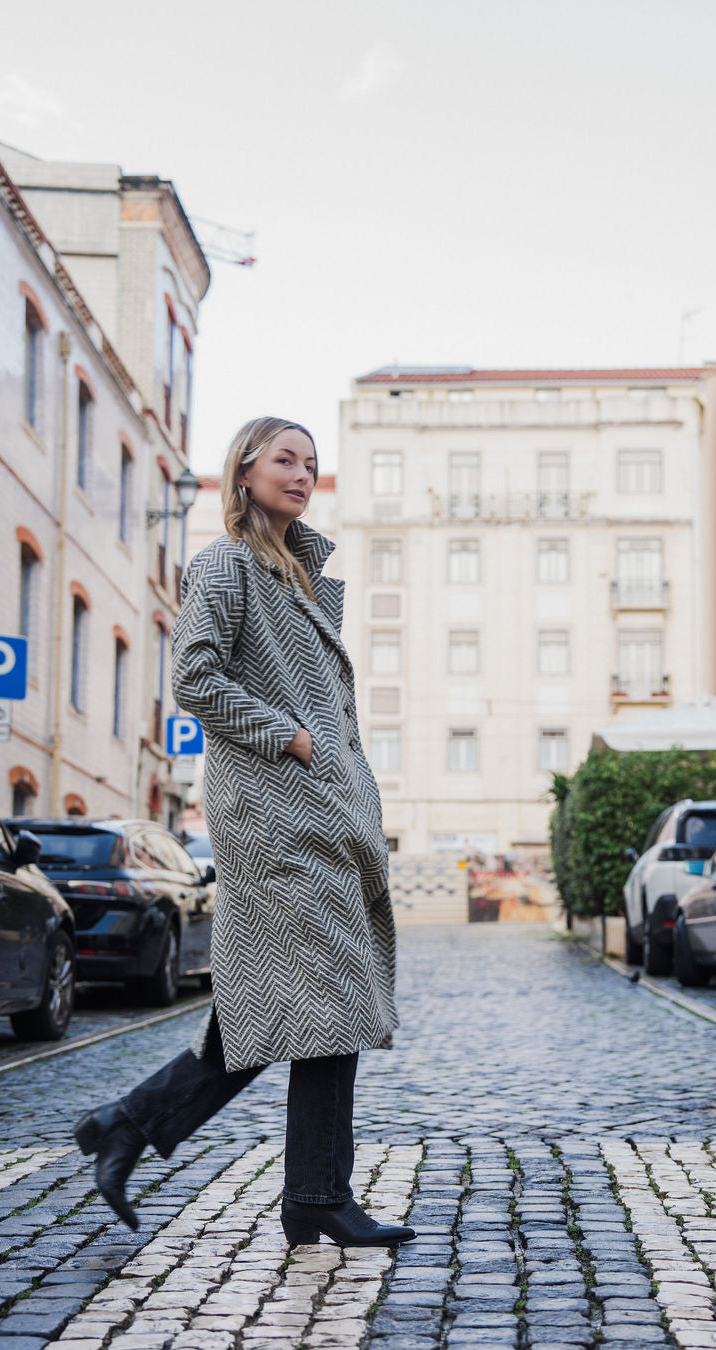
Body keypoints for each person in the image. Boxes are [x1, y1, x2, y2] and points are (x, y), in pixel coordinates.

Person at [74, 417, 414, 1249]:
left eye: (311, 463)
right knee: (330, 1001)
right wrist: (289, 738)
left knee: (273, 1007)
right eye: (284, 460)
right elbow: (194, 677)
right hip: (275, 820)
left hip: (318, 817)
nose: (301, 474)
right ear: (245, 471)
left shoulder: (298, 578)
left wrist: (339, 781)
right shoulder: (226, 565)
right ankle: (318, 1196)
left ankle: (128, 1124)